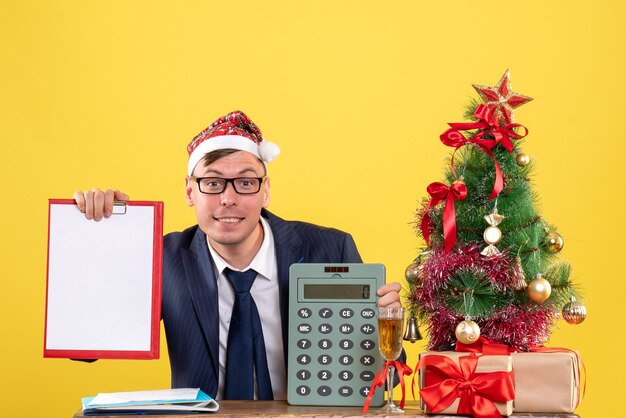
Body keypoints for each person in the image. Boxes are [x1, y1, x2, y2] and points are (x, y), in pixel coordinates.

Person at [74, 110, 401, 401]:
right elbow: (86, 345)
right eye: (213, 183)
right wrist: (102, 236)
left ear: (266, 190)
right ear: (190, 191)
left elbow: (390, 377)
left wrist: (385, 330)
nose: (229, 199)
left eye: (245, 182)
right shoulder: (164, 258)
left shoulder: (329, 250)